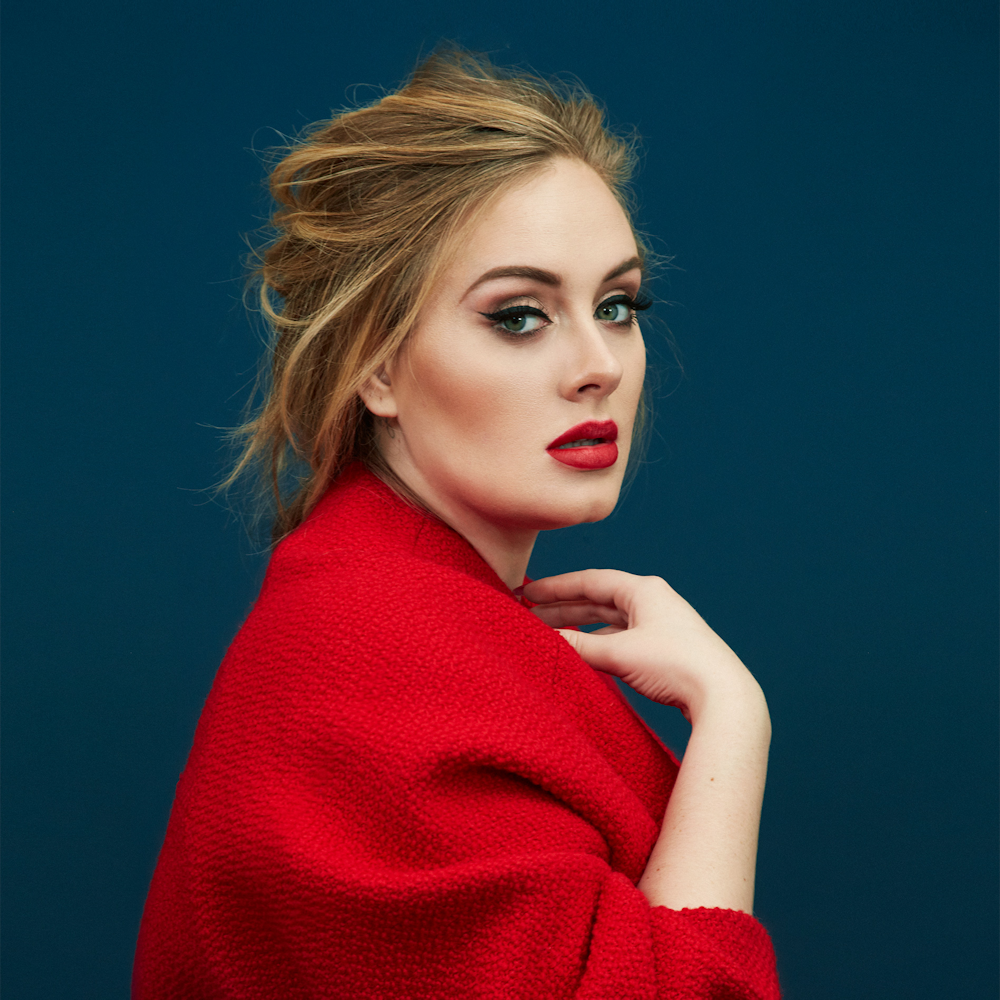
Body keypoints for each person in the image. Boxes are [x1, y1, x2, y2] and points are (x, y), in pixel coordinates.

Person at [133, 49, 780, 999]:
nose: (600, 365)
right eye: (519, 316)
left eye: (617, 305)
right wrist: (733, 722)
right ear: (376, 367)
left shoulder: (411, 614)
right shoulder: (370, 663)